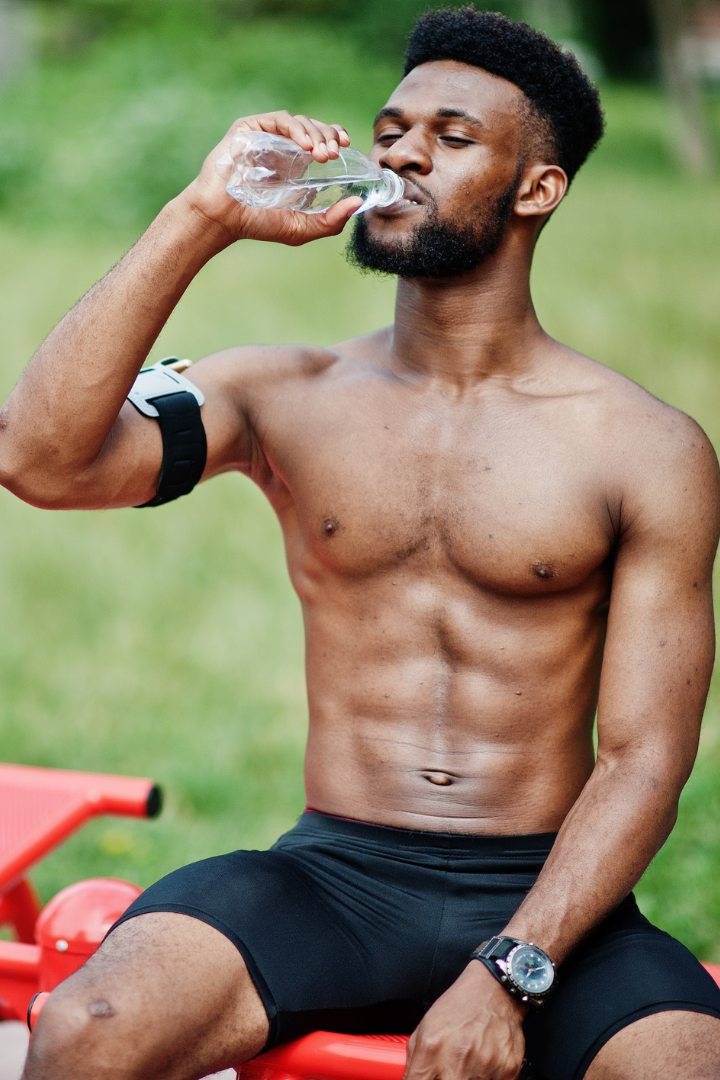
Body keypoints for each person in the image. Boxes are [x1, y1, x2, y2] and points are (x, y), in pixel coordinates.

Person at [3, 7, 720, 1080]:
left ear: (537, 189)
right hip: (336, 877)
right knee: (85, 1028)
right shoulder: (282, 393)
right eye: (391, 131)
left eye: (452, 136)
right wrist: (199, 217)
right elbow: (39, 461)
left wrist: (510, 970)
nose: (403, 154)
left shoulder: (646, 446)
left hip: (553, 896)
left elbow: (645, 760)